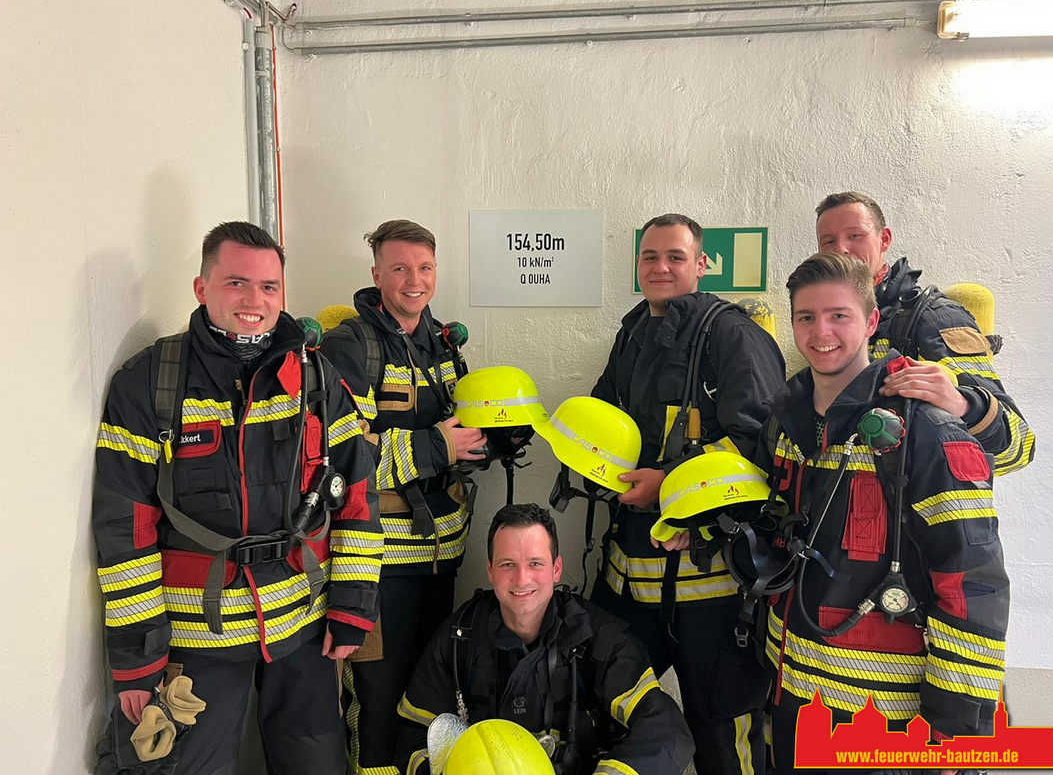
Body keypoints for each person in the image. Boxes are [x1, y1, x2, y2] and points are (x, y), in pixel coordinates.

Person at [92, 221, 381, 774]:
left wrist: (353, 605)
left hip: (304, 628)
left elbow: (356, 498)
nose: (255, 301)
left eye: (269, 286)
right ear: (202, 288)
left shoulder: (317, 380)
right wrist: (138, 661)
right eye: (236, 283)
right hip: (194, 643)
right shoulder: (149, 384)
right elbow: (125, 530)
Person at [752, 252, 1009, 774]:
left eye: (838, 316)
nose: (821, 332)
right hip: (793, 701)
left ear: (871, 322)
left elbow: (972, 582)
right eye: (806, 317)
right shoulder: (784, 425)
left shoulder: (926, 430)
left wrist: (955, 730)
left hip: (888, 723)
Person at [588, 212, 786, 774]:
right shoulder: (631, 333)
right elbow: (604, 416)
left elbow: (759, 442)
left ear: (701, 264)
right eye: (650, 256)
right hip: (630, 577)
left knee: (722, 731)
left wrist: (668, 483)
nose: (661, 267)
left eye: (675, 256)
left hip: (710, 585)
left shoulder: (732, 335)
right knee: (609, 716)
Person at [319, 219, 486, 773]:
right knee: (377, 702)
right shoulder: (351, 346)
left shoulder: (442, 343)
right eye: (399, 268)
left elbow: (454, 428)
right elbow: (343, 456)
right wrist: (439, 446)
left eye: (424, 268)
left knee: (428, 700)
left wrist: (487, 441)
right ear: (376, 274)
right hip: (378, 562)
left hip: (441, 555)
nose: (414, 280)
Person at [395, 504, 696, 775]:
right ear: (490, 571)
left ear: (556, 569)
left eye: (535, 564)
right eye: (508, 564)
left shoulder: (600, 637)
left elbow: (666, 729)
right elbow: (412, 731)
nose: (522, 579)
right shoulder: (459, 637)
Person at [815, 191, 1035, 476]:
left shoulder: (935, 318)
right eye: (829, 241)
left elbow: (1018, 448)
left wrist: (963, 404)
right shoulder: (824, 326)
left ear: (884, 239)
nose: (841, 249)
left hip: (911, 502)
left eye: (854, 235)